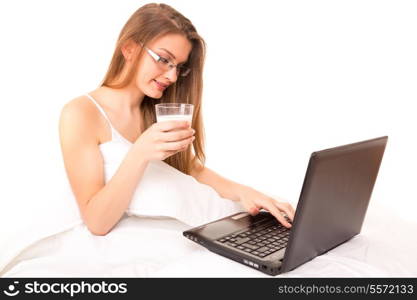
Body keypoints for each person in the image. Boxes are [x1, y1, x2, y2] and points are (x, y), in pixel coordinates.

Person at [59, 3, 295, 236]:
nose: (172, 76)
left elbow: (190, 168)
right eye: (163, 59)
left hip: (189, 225)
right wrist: (139, 153)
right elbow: (97, 222)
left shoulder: (155, 111)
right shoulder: (81, 114)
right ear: (129, 48)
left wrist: (244, 192)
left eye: (179, 67)